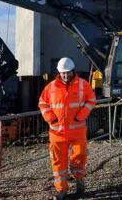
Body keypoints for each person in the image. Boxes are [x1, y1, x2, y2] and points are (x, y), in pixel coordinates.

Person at [38, 57, 97, 199]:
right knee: (58, 161)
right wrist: (50, 118)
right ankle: (61, 189)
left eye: (68, 72)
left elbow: (91, 100)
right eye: (63, 73)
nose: (65, 75)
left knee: (79, 156)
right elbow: (43, 103)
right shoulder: (50, 87)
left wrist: (81, 116)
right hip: (57, 132)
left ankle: (79, 179)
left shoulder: (83, 85)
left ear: (73, 71)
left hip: (77, 130)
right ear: (59, 73)